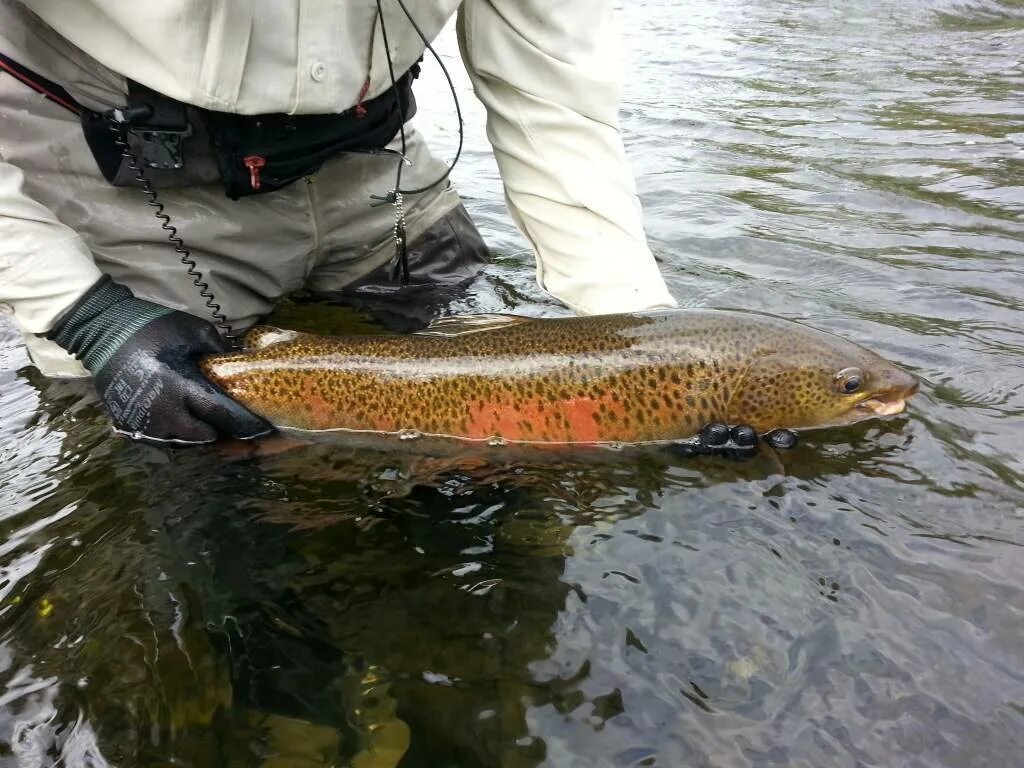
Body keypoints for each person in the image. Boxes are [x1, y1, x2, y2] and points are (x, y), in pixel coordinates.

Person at [0, 0, 678, 445]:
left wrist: (649, 344)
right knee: (166, 438)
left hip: (368, 156)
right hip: (116, 173)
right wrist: (85, 312)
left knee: (477, 332)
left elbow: (551, 92)